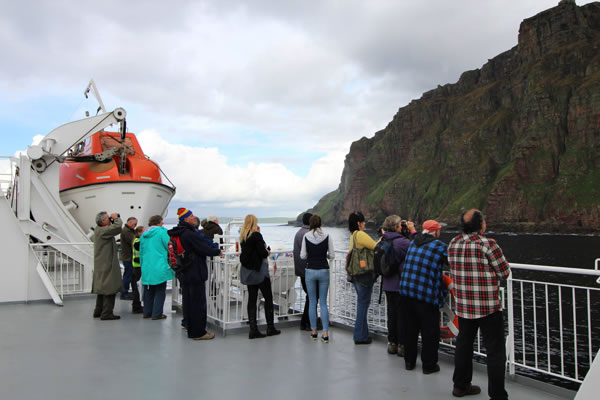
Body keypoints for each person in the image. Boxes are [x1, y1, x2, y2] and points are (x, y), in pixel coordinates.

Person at [448, 209, 510, 399]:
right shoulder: (488, 244)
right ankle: (498, 394)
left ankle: (460, 386)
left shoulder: (453, 243)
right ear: (480, 225)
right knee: (495, 350)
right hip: (488, 306)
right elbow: (504, 272)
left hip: (464, 305)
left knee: (464, 345)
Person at [398, 220, 448, 374]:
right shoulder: (439, 246)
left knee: (410, 329)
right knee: (430, 331)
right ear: (436, 232)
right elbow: (451, 260)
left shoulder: (414, 243)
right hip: (425, 294)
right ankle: (429, 365)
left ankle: (409, 362)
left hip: (406, 292)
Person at [168, 208, 221, 340]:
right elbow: (203, 248)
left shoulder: (177, 233)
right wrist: (217, 251)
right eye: (191, 216)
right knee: (198, 303)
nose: (194, 217)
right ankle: (198, 332)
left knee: (188, 301)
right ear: (186, 219)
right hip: (194, 271)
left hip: (183, 271)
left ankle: (189, 325)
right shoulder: (189, 234)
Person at [239, 214, 281, 339]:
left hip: (248, 272)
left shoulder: (243, 237)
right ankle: (270, 327)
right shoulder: (256, 235)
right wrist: (267, 250)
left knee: (252, 299)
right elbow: (262, 253)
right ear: (254, 223)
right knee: (268, 298)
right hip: (259, 272)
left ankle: (253, 329)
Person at [380, 215, 413, 356]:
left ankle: (391, 344)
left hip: (387, 283)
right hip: (400, 284)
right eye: (400, 224)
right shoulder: (403, 242)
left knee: (391, 314)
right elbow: (416, 249)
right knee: (402, 317)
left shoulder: (383, 239)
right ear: (396, 227)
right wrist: (411, 231)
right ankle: (402, 346)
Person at [300, 214, 334, 342]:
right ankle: (325, 333)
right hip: (324, 270)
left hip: (310, 270)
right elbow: (332, 255)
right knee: (323, 303)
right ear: (320, 223)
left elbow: (303, 255)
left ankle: (314, 331)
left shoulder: (306, 236)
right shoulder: (327, 236)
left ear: (310, 224)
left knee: (312, 302)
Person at [348, 211, 377, 344]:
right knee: (363, 305)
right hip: (364, 274)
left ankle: (363, 334)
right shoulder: (360, 234)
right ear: (359, 223)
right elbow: (375, 246)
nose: (365, 223)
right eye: (363, 221)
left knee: (362, 304)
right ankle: (359, 336)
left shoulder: (353, 235)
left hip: (355, 274)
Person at [140, 215, 174, 320]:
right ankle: (157, 313)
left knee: (148, 290)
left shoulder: (143, 235)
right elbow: (169, 245)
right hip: (159, 264)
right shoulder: (161, 232)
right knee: (160, 290)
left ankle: (147, 312)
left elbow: (141, 252)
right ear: (159, 223)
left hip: (146, 266)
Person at [91, 211, 123, 320]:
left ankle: (98, 311)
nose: (110, 219)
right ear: (103, 221)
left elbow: (113, 228)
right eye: (108, 218)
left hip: (101, 263)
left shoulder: (99, 230)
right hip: (107, 263)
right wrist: (116, 218)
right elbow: (118, 227)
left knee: (102, 290)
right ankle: (107, 313)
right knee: (110, 288)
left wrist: (112, 219)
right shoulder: (103, 231)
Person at [293, 212, 313, 330]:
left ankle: (305, 322)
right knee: (312, 297)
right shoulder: (308, 234)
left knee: (310, 296)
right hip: (308, 269)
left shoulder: (298, 233)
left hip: (300, 270)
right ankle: (307, 323)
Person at [120, 217, 137, 300]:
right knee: (128, 275)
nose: (135, 226)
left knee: (129, 274)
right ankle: (124, 293)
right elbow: (133, 241)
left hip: (127, 256)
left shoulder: (127, 230)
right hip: (128, 257)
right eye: (134, 224)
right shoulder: (127, 231)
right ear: (130, 223)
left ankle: (127, 291)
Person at [130, 225, 144, 313]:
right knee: (137, 288)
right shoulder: (138, 241)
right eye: (143, 231)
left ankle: (137, 305)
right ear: (139, 233)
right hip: (138, 267)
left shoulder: (135, 240)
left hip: (136, 266)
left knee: (136, 287)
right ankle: (136, 306)